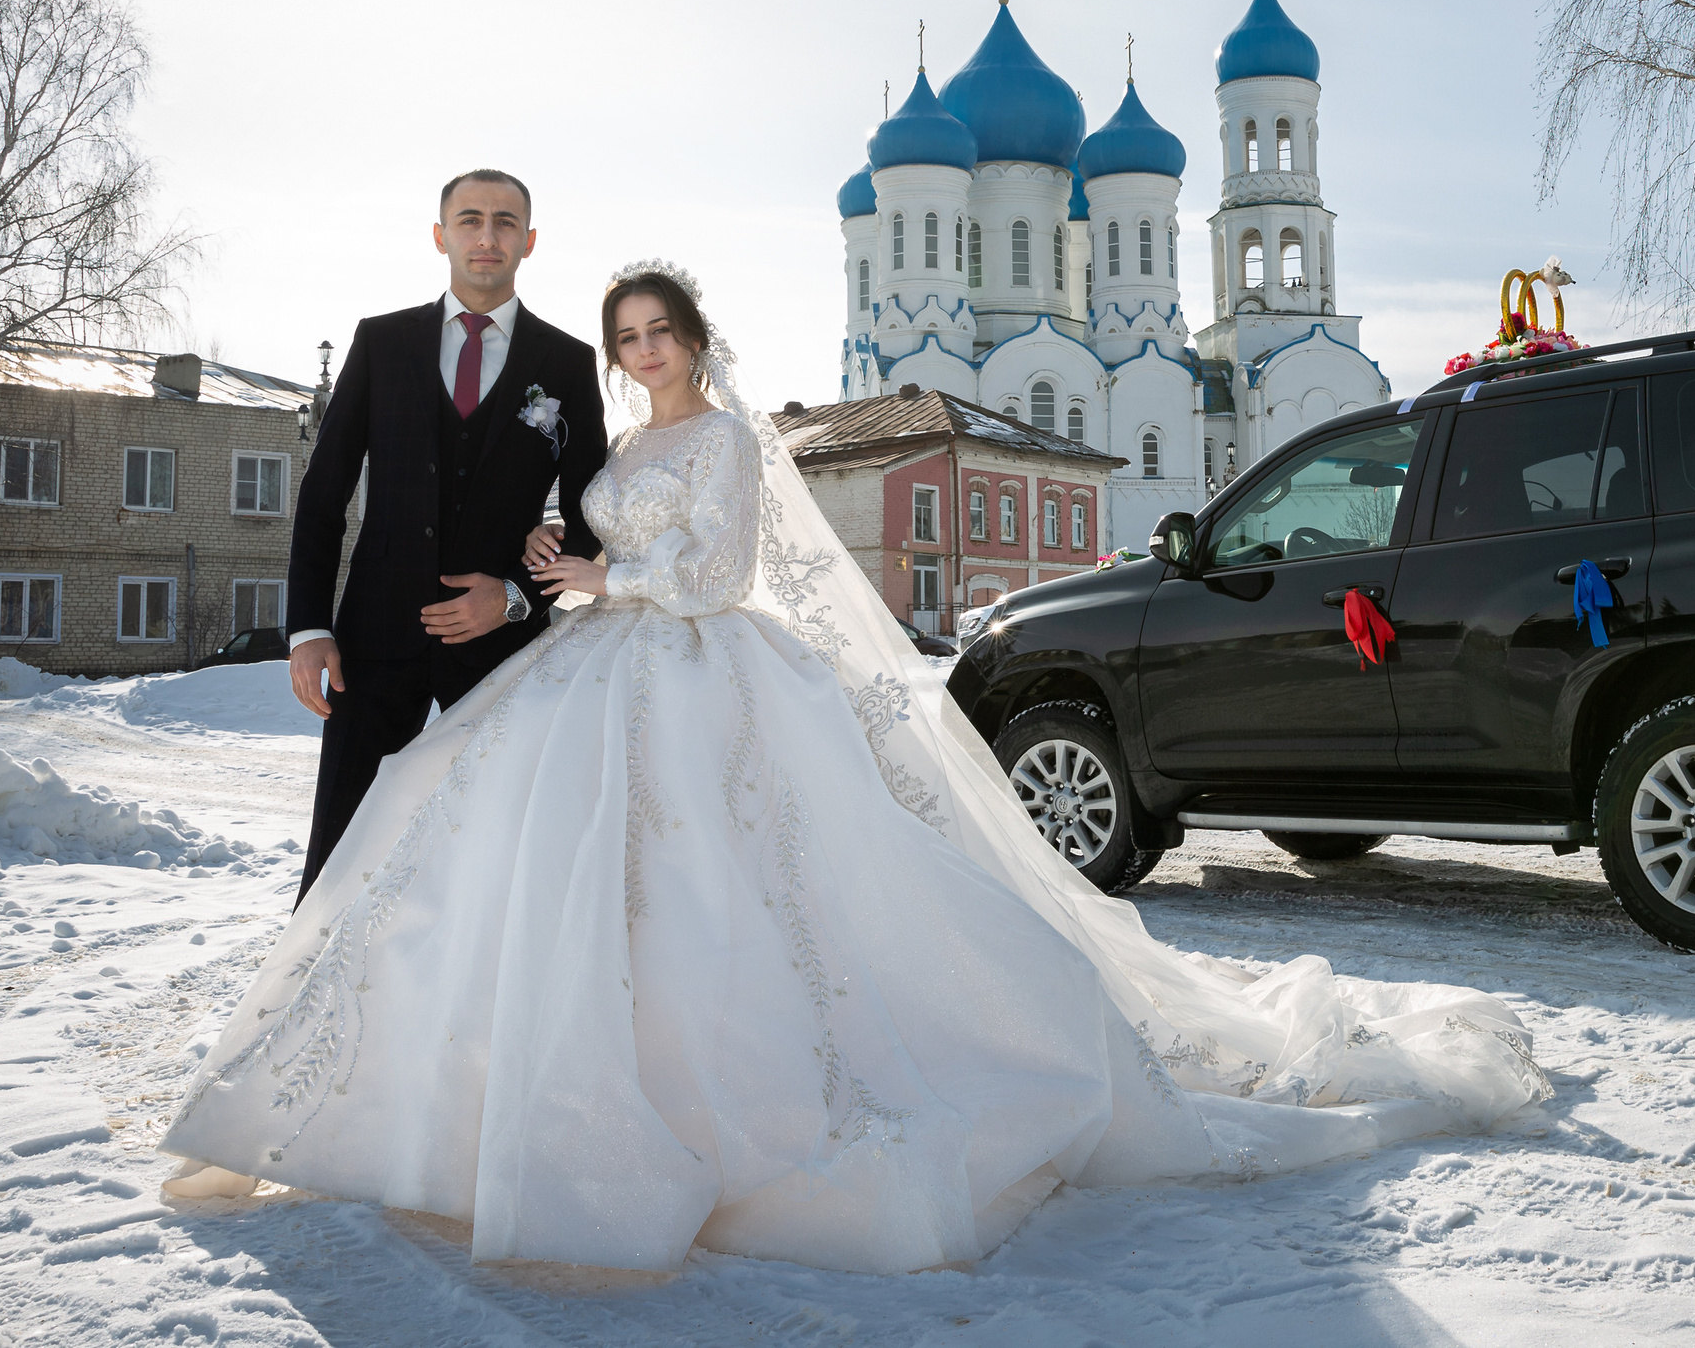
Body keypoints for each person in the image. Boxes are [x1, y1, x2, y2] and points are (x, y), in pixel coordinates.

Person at [161, 260, 1549, 1275]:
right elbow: (610, 555)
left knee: (733, 883)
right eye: (626, 337)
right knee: (521, 852)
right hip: (601, 661)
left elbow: (718, 571)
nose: (643, 353)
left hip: (703, 667)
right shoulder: (628, 438)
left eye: (661, 333)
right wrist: (564, 574)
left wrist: (601, 565)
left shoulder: (725, 439)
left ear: (701, 337)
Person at [281, 168, 606, 901]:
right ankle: (304, 1004)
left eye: (503, 221)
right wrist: (308, 626)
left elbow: (592, 512)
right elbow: (324, 489)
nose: (485, 236)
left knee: (489, 856)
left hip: (501, 655)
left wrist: (519, 596)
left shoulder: (567, 363)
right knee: (342, 844)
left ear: (529, 240)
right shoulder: (380, 342)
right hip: (373, 640)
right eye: (468, 219)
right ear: (440, 235)